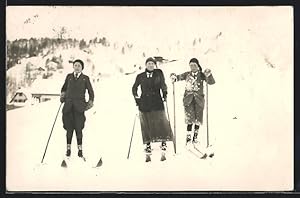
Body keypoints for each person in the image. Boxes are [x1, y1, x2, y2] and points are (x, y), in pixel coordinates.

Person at [132, 57, 173, 162]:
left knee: (161, 122)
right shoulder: (140, 76)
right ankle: (148, 144)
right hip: (145, 103)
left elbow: (163, 85)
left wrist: (165, 94)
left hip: (157, 101)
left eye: (152, 64)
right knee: (146, 124)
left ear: (155, 65)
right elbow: (134, 88)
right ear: (146, 65)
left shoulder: (159, 74)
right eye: (148, 63)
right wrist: (137, 99)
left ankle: (163, 142)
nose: (150, 65)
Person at [170, 58, 215, 145]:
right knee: (190, 119)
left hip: (199, 100)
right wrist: (174, 77)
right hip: (188, 100)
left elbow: (211, 82)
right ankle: (188, 138)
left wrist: (209, 75)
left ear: (198, 66)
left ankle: (195, 137)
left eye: (194, 65)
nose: (192, 67)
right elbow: (178, 78)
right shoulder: (187, 74)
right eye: (191, 65)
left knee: (198, 119)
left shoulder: (202, 75)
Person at [60, 59, 94, 158]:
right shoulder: (69, 77)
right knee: (69, 129)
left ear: (82, 68)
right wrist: (63, 95)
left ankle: (80, 150)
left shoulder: (85, 78)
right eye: (75, 65)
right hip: (68, 107)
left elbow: (91, 92)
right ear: (73, 67)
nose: (77, 67)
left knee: (79, 129)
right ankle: (68, 149)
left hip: (79, 107)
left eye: (79, 65)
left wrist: (90, 102)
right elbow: (64, 88)